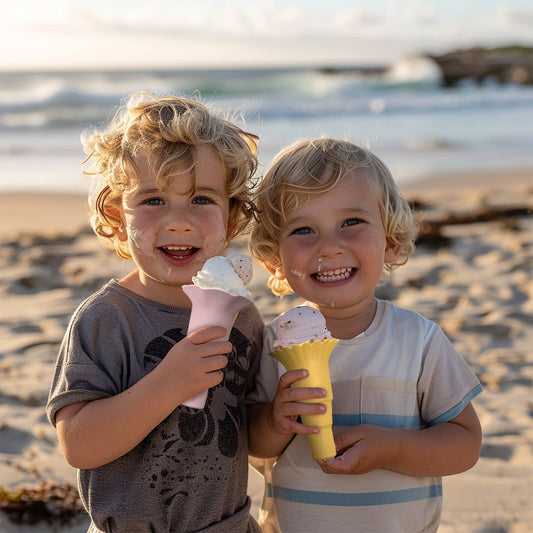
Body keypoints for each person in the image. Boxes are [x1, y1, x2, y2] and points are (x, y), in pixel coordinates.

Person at [46, 92, 264, 532]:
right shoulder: (106, 319)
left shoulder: (244, 318)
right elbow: (79, 444)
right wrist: (168, 384)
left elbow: (249, 438)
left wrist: (277, 420)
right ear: (117, 215)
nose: (179, 221)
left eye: (202, 199)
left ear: (233, 215)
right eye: (152, 200)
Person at [246, 137, 483, 532]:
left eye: (351, 223)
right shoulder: (274, 344)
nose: (330, 247)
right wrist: (274, 421)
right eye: (303, 230)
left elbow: (464, 445)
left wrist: (391, 448)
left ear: (390, 241)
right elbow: (252, 444)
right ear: (276, 260)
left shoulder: (419, 341)